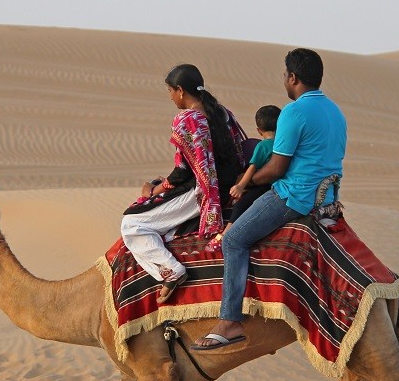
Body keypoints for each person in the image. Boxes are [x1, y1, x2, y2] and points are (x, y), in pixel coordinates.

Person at [193, 48, 346, 349]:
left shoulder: (294, 112)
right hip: (328, 198)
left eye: (285, 76)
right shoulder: (335, 111)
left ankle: (229, 321)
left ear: (292, 77)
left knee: (233, 239)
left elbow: (277, 168)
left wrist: (244, 183)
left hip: (295, 197)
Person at [121, 64, 246, 303]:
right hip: (227, 184)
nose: (170, 97)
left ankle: (170, 271)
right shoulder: (223, 113)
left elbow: (182, 171)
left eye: (170, 91)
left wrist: (154, 190)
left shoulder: (187, 119)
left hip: (203, 193)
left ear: (180, 90)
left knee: (132, 223)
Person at [206, 104, 280, 251]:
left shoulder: (262, 146)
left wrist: (240, 186)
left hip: (265, 186)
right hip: (281, 186)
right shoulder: (283, 144)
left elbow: (252, 168)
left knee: (241, 205)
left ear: (259, 130)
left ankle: (225, 235)